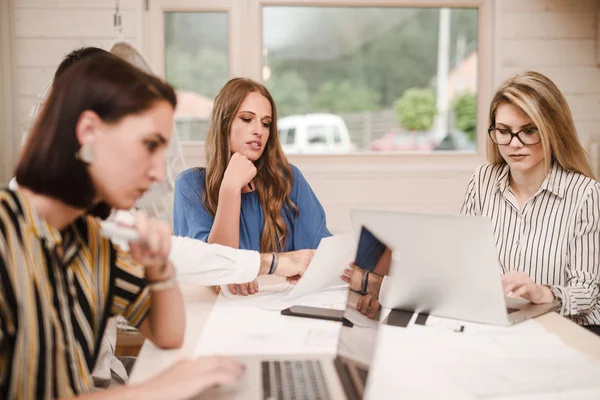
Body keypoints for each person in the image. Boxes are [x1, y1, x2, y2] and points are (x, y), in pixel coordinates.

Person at [0, 52, 308, 400]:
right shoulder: (8, 237)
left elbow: (168, 334)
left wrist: (160, 269)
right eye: (149, 145)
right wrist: (157, 390)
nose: (159, 173)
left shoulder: (92, 237)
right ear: (88, 131)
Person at [460, 71, 600, 334]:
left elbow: (586, 292)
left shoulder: (587, 194)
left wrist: (543, 293)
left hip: (568, 332)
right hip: (500, 326)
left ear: (552, 130)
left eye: (529, 130)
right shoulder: (482, 181)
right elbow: (462, 262)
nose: (515, 143)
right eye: (504, 131)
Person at [173, 77, 331, 296]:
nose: (259, 130)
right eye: (247, 119)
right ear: (224, 123)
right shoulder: (190, 185)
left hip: (284, 308)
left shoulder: (289, 178)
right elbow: (216, 273)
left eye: (266, 123)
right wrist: (230, 189)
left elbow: (321, 256)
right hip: (222, 313)